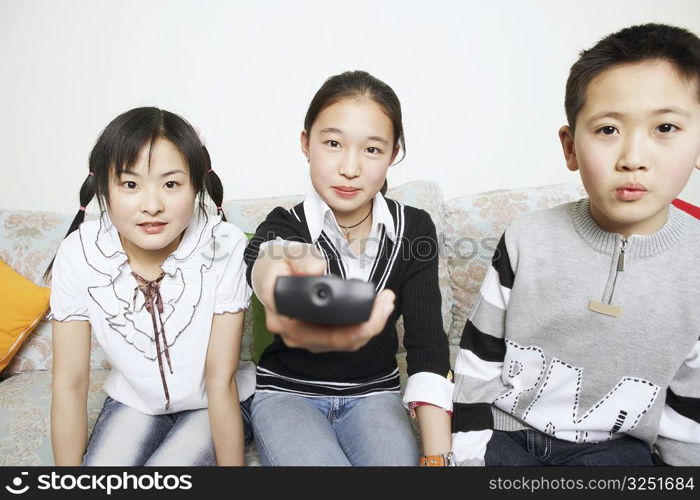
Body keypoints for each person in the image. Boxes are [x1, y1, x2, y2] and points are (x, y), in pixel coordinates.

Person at [452, 23, 700, 466]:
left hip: (616, 451)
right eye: (608, 130)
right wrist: (467, 454)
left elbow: (691, 398)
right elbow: (478, 358)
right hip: (506, 435)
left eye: (665, 127)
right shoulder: (527, 237)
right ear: (570, 147)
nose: (633, 158)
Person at [245, 71, 453, 466]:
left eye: (372, 150)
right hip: (288, 394)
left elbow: (428, 344)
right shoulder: (283, 224)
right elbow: (266, 261)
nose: (350, 168)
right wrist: (281, 279)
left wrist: (439, 458)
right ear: (306, 143)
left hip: (375, 394)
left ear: (393, 154)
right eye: (333, 143)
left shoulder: (415, 229)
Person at [47, 107, 255, 466]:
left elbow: (220, 382)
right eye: (130, 184)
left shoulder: (225, 244)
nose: (152, 205)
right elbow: (70, 383)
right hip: (133, 402)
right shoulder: (78, 253)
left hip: (213, 402)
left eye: (171, 184)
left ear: (196, 187)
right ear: (103, 188)